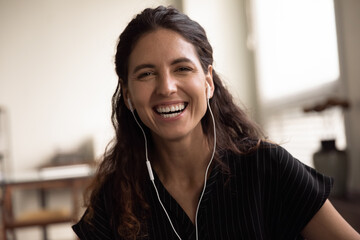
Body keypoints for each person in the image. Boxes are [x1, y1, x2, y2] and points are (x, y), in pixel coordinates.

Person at [72, 6, 360, 240]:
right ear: (128, 95)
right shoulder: (113, 199)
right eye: (146, 74)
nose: (167, 87)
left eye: (182, 68)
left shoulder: (267, 167)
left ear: (208, 82)